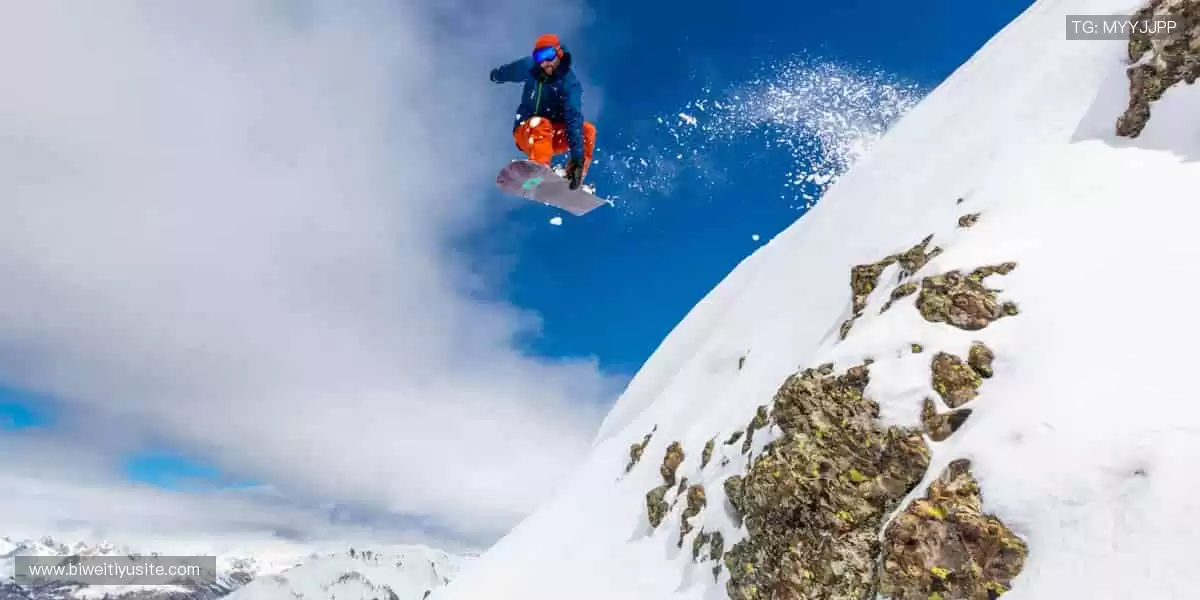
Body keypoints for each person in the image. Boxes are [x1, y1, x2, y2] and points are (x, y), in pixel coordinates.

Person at [490, 34, 596, 190]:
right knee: (540, 123)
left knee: (587, 131)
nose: (544, 62)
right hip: (527, 131)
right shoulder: (529, 68)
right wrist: (495, 75)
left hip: (550, 136)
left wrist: (577, 159)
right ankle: (539, 170)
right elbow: (509, 71)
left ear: (559, 53)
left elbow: (573, 118)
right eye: (539, 57)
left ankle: (574, 176)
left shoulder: (570, 84)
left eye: (548, 55)